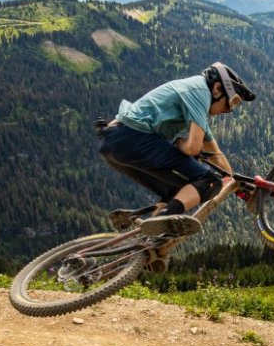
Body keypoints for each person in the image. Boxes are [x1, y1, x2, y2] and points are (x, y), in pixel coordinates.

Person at [97, 62, 255, 237]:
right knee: (209, 182)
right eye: (231, 103)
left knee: (177, 192)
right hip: (131, 137)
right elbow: (193, 148)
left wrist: (237, 186)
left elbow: (216, 155)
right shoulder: (199, 91)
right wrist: (180, 143)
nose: (228, 110)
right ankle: (163, 219)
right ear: (217, 88)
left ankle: (150, 244)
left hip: (115, 143)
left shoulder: (195, 103)